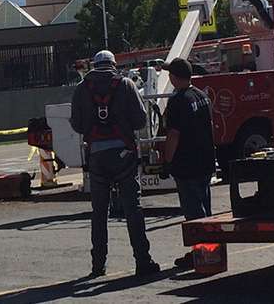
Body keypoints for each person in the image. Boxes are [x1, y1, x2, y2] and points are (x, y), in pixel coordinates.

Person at [70, 49, 161, 279]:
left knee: (99, 213)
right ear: (113, 64)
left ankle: (98, 266)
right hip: (123, 155)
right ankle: (143, 260)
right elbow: (141, 120)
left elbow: (78, 125)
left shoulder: (82, 89)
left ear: (95, 65)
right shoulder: (127, 85)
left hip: (97, 157)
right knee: (133, 208)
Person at [160, 58, 216, 271]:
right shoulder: (202, 96)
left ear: (174, 77)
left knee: (194, 213)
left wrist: (167, 161)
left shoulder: (178, 101)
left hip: (187, 163)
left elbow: (174, 135)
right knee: (206, 210)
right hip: (205, 160)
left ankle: (202, 254)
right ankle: (211, 250)